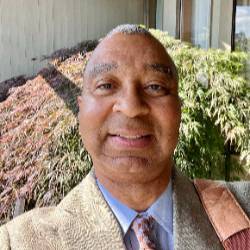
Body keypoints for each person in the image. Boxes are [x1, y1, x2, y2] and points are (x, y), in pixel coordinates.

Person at [0, 24, 249, 250]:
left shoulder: (242, 213)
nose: (131, 107)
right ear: (80, 111)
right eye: (106, 86)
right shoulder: (18, 242)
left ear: (178, 110)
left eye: (155, 86)